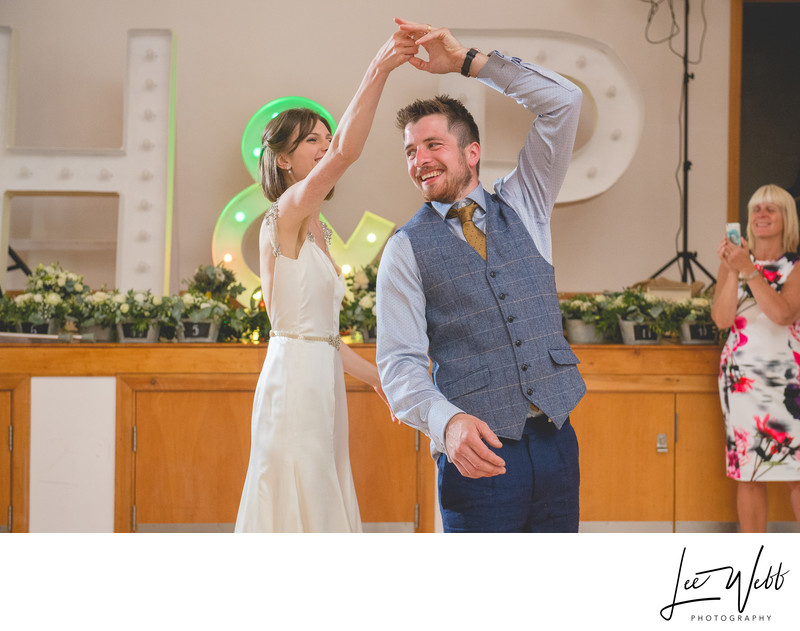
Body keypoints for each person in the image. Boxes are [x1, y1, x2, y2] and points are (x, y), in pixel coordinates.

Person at [376, 20, 586, 533]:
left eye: (432, 145)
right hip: (476, 455)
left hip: (557, 443)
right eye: (410, 151)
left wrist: (468, 62)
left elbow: (565, 101)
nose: (420, 160)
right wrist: (445, 425)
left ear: (472, 152)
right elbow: (399, 366)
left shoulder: (527, 202)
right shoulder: (404, 249)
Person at [234, 26, 414, 533]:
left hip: (321, 377)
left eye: (324, 137)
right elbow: (347, 153)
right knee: (297, 490)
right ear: (283, 159)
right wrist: (378, 69)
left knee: (326, 484)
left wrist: (381, 380)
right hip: (293, 381)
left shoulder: (321, 226)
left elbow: (323, 336)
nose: (325, 146)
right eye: (312, 139)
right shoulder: (286, 212)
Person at [712, 183, 800, 533]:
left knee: (797, 471)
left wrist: (748, 269)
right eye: (756, 209)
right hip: (741, 379)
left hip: (789, 381)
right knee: (748, 472)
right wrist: (733, 269)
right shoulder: (731, 263)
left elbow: (782, 314)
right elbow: (722, 319)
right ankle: (754, 564)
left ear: (785, 218)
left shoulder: (795, 266)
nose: (761, 214)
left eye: (771, 209)